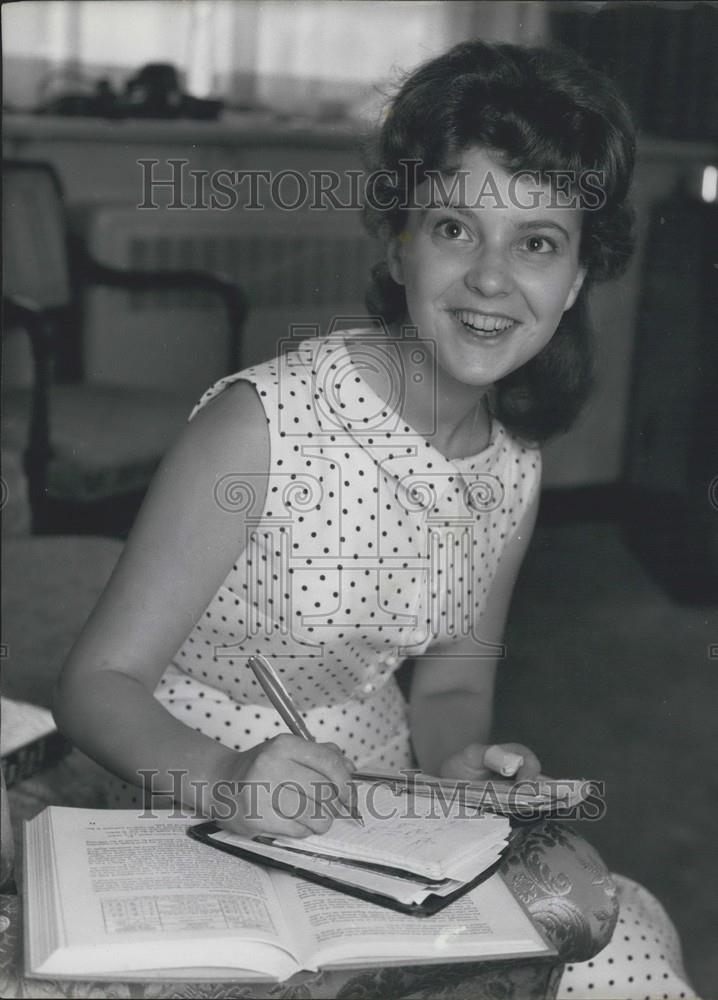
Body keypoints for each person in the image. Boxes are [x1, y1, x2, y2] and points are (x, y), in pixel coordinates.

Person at [55, 39, 697, 999]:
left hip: (379, 809)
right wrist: (232, 779)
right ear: (399, 242)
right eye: (454, 228)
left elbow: (448, 694)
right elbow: (95, 684)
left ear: (574, 281)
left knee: (622, 945)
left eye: (536, 242)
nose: (490, 277)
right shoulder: (255, 428)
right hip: (181, 789)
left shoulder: (514, 469)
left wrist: (463, 766)